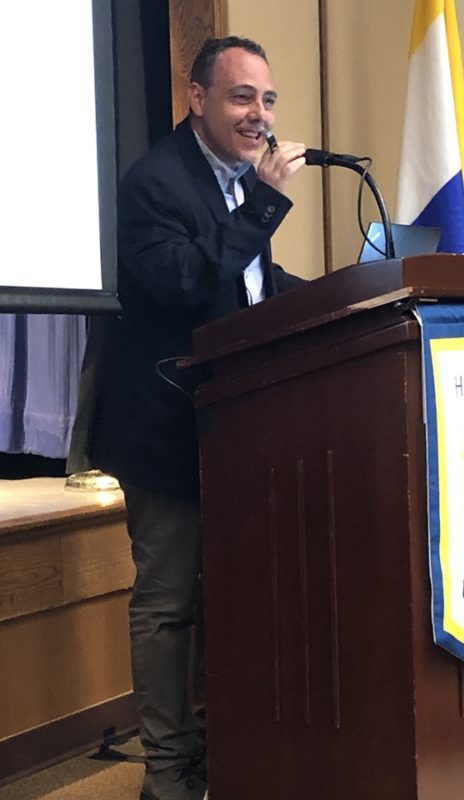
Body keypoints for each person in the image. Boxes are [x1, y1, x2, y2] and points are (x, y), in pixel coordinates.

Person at [90, 36, 307, 800]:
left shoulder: (237, 182)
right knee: (169, 606)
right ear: (196, 98)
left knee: (234, 596)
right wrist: (267, 204)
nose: (260, 116)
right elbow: (184, 280)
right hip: (163, 430)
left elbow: (249, 285)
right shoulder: (154, 182)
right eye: (243, 97)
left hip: (234, 430)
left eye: (268, 100)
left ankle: (226, 755)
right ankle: (168, 774)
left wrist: (348, 289)